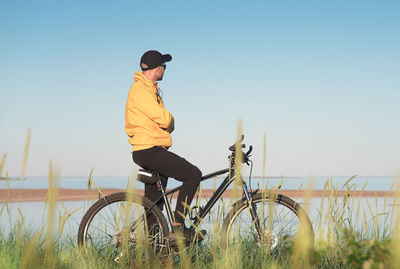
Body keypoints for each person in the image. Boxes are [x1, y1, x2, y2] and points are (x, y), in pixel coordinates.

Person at [125, 50, 205, 242]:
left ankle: (154, 251)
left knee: (154, 205)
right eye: (164, 66)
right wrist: (170, 119)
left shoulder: (149, 89)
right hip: (148, 149)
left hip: (150, 149)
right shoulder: (141, 90)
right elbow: (163, 118)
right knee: (193, 174)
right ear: (158, 68)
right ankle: (178, 227)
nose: (165, 70)